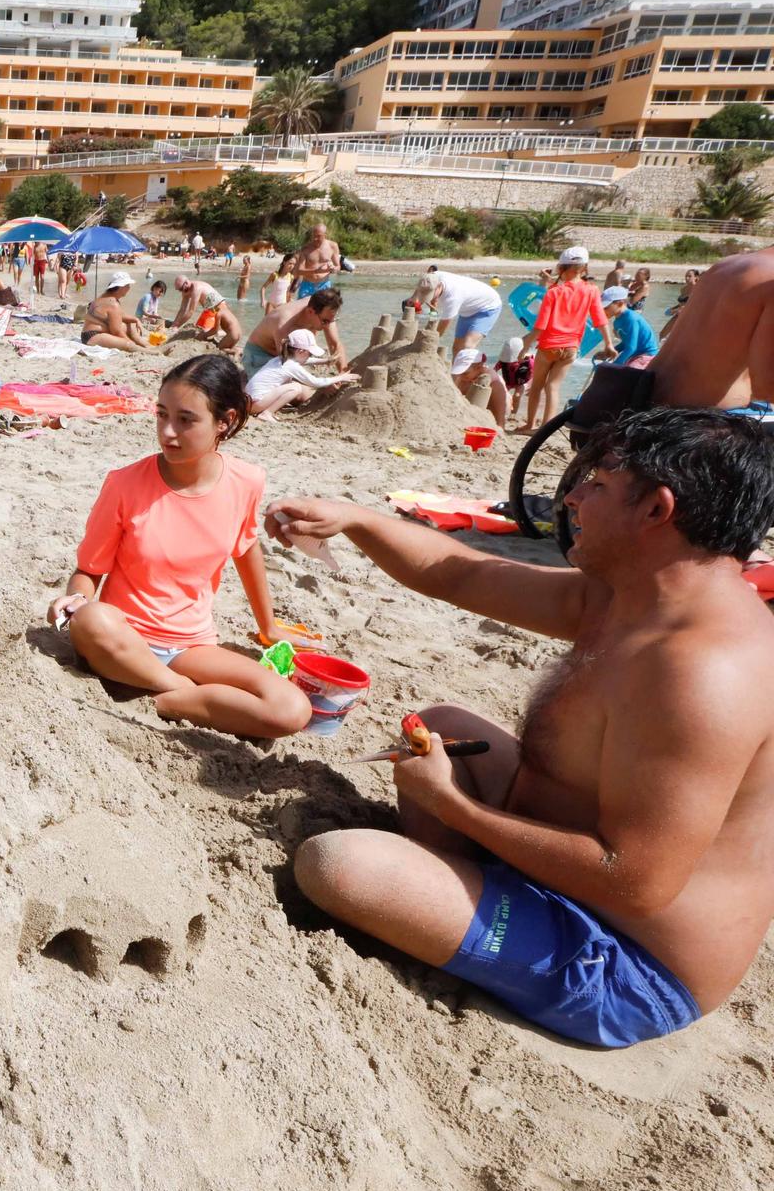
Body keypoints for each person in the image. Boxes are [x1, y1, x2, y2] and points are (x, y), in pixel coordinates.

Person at [274, 407, 774, 1048]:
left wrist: (451, 805)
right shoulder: (629, 595)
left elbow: (637, 881)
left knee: (341, 865)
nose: (572, 496)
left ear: (657, 510)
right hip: (568, 872)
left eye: (596, 481)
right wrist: (358, 520)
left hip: (626, 963)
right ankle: (455, 906)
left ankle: (448, 909)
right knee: (443, 728)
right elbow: (463, 574)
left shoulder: (702, 675)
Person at [49, 354, 313, 739]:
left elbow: (245, 548)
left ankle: (163, 697)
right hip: (121, 639)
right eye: (161, 414)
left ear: (225, 421)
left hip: (192, 646)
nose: (167, 432)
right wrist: (75, 599)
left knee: (291, 709)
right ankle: (184, 692)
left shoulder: (246, 481)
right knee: (91, 619)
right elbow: (89, 571)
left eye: (186, 420)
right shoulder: (124, 485)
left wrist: (268, 627)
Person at [644, 253, 774, 410]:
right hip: (698, 419)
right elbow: (766, 386)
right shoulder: (769, 282)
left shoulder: (725, 265)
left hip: (644, 398)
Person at [520, 246, 611, 432]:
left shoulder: (553, 293)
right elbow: (600, 319)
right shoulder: (592, 291)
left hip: (549, 346)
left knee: (536, 386)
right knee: (553, 387)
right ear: (584, 268)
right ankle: (545, 429)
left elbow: (540, 326)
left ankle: (530, 425)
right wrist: (608, 343)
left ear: (561, 268)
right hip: (571, 348)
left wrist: (525, 347)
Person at [246, 328, 359, 418]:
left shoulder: (281, 359)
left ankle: (266, 410)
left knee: (288, 383)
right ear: (300, 351)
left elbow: (302, 361)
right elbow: (315, 382)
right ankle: (267, 413)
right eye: (310, 354)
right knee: (295, 388)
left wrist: (325, 361)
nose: (310, 356)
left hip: (248, 402)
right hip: (256, 404)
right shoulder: (291, 366)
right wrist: (340, 377)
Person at [241, 287, 346, 375]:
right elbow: (286, 363)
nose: (328, 325)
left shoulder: (323, 307)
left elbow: (334, 344)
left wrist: (343, 373)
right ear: (310, 311)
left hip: (286, 356)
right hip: (259, 355)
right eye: (325, 321)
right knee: (301, 393)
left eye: (332, 320)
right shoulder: (284, 321)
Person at [416, 268, 504, 358]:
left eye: (430, 294)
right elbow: (423, 294)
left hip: (487, 307)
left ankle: (476, 369)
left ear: (438, 286)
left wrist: (426, 341)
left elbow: (440, 332)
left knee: (467, 347)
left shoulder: (452, 298)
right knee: (457, 348)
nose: (429, 297)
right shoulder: (432, 277)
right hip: (468, 309)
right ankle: (455, 372)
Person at [80, 271, 153, 352]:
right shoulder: (113, 303)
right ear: (121, 287)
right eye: (127, 285)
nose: (129, 288)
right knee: (127, 344)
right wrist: (130, 342)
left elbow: (118, 316)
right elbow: (116, 331)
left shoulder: (106, 297)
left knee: (130, 325)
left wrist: (136, 319)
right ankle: (150, 351)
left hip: (97, 331)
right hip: (92, 336)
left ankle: (146, 345)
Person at [596, 285, 659, 369]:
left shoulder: (631, 319)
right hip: (635, 354)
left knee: (622, 373)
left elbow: (631, 348)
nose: (603, 311)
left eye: (606, 307)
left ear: (620, 303)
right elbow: (626, 343)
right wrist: (609, 353)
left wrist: (613, 365)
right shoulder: (617, 321)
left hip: (646, 355)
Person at [450, 348, 511, 428]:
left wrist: (500, 425)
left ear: (479, 367)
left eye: (465, 373)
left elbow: (502, 407)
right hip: (477, 409)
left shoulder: (493, 380)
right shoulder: (464, 377)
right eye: (459, 372)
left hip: (499, 409)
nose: (460, 376)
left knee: (491, 386)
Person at [292, 223, 341, 299]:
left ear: (325, 235)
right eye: (314, 236)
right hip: (307, 285)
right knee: (303, 309)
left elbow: (338, 266)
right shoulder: (306, 248)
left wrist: (334, 269)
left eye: (318, 236)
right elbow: (300, 270)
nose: (315, 239)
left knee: (324, 310)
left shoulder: (333, 246)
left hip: (324, 285)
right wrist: (317, 271)